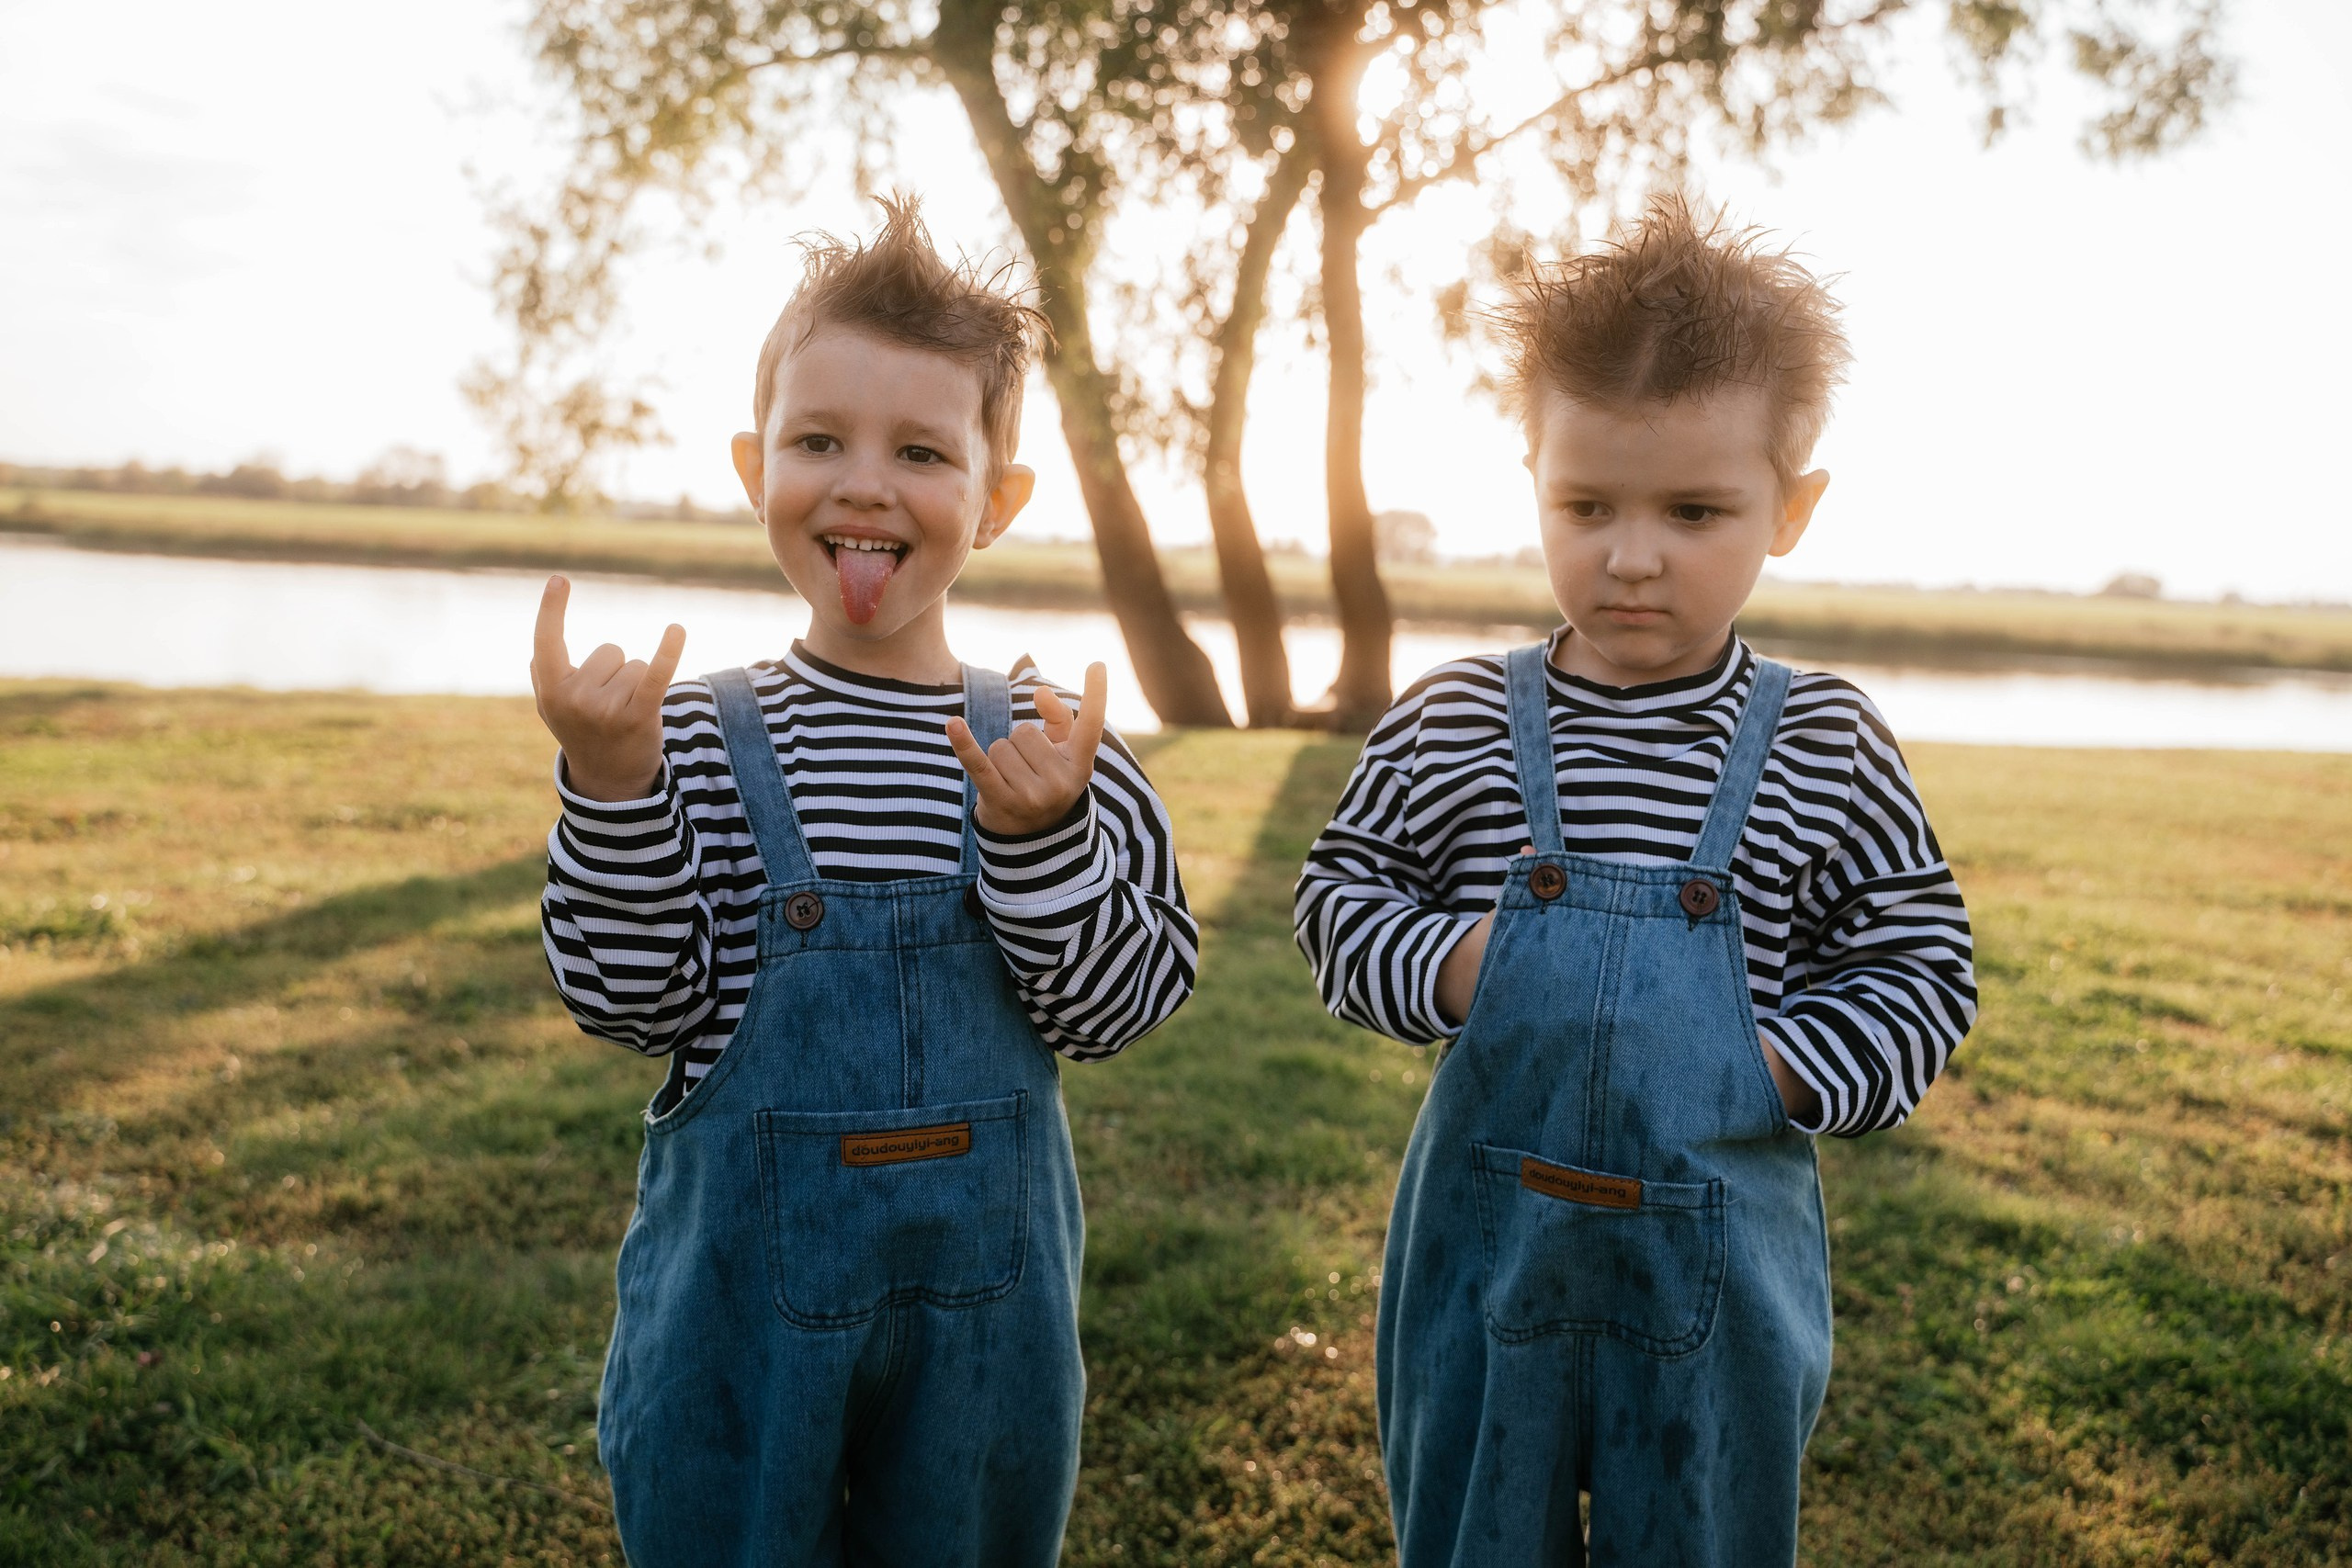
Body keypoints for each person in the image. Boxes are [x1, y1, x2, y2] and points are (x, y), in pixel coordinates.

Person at [1294, 197, 1977, 1566]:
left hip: (1717, 1277)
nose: (1632, 554)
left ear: (1791, 511)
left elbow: (1917, 966)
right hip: (1487, 1261)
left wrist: (1775, 1067)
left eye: (1695, 511)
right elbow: (1339, 898)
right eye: (1586, 505)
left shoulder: (1827, 740)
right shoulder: (1451, 719)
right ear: (1534, 479)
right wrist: (1455, 965)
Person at [529, 197, 1197, 1566]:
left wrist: (1042, 844)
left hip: (987, 1345)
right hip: (735, 1327)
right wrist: (612, 785)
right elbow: (630, 1000)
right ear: (754, 466)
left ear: (997, 502)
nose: (865, 487)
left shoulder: (1057, 748)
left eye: (922, 452)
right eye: (818, 441)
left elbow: (1118, 1011)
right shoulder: (687, 741)